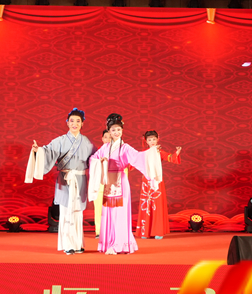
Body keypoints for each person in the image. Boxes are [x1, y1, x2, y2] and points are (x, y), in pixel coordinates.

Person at [88, 113, 162, 255]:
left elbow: (139, 157)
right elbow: (93, 159)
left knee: (120, 213)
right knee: (108, 213)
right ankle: (108, 244)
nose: (116, 132)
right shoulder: (105, 148)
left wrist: (152, 152)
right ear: (109, 132)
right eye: (113, 130)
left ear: (122, 130)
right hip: (109, 184)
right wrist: (100, 161)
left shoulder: (125, 148)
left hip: (120, 182)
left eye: (118, 130)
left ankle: (120, 244)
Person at [26, 108, 96, 254]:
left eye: (78, 121)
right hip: (65, 179)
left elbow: (95, 158)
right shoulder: (60, 141)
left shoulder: (87, 142)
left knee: (77, 213)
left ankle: (78, 244)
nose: (75, 124)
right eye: (72, 121)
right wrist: (38, 151)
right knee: (66, 211)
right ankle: (68, 245)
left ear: (82, 124)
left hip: (80, 180)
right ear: (67, 123)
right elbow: (47, 151)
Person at [138, 130, 182, 240]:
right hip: (146, 181)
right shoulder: (144, 153)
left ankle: (158, 231)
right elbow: (135, 162)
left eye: (154, 139)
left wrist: (176, 153)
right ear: (146, 141)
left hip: (157, 180)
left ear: (158, 139)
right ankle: (145, 231)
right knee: (146, 204)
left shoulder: (159, 151)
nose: (152, 141)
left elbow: (170, 157)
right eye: (149, 140)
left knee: (157, 204)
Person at [94, 129, 111, 239]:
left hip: (112, 183)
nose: (108, 139)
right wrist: (98, 161)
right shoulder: (98, 152)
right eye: (106, 137)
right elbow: (91, 162)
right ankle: (99, 231)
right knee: (99, 206)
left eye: (110, 137)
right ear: (102, 139)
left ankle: (112, 231)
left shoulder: (118, 151)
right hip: (100, 183)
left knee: (113, 207)